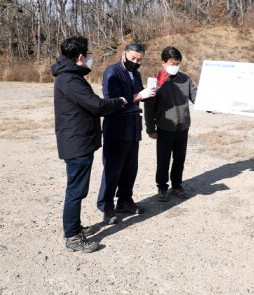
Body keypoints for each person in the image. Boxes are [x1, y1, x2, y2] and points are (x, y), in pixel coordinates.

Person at [52, 36, 127, 253]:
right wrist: (119, 101)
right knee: (76, 190)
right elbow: (96, 106)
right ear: (81, 56)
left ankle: (74, 228)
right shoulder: (70, 79)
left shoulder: (68, 77)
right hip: (76, 143)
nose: (89, 60)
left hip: (78, 140)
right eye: (88, 55)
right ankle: (73, 237)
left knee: (77, 189)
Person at [97, 43, 155, 224]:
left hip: (133, 128)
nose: (136, 62)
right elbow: (111, 101)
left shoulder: (136, 74)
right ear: (123, 55)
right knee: (113, 169)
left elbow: (139, 95)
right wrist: (139, 96)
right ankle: (106, 206)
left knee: (130, 168)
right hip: (116, 128)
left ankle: (125, 201)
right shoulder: (112, 72)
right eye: (133, 59)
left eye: (140, 60)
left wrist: (151, 93)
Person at [144, 47, 198, 202]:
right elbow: (149, 108)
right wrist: (150, 129)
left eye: (178, 64)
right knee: (163, 160)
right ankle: (162, 187)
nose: (175, 67)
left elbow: (196, 97)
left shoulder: (185, 79)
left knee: (179, 159)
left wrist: (211, 106)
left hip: (182, 128)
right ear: (163, 62)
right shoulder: (156, 81)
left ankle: (176, 186)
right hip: (164, 128)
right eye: (172, 63)